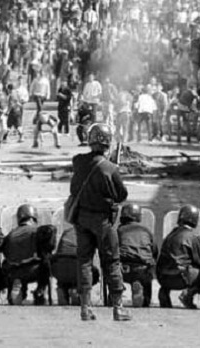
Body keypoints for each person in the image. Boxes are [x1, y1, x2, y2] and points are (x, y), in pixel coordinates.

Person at [70, 123, 131, 321]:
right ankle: (118, 307)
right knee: (112, 261)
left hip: (82, 219)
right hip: (103, 221)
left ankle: (85, 307)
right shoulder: (110, 168)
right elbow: (121, 195)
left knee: (84, 262)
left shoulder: (78, 162)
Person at [156, 205, 200, 309]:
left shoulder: (170, 235)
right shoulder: (192, 237)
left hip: (163, 278)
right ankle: (189, 294)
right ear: (195, 220)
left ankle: (164, 291)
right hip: (181, 278)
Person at [2, 205, 55, 305]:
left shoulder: (10, 234)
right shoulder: (37, 231)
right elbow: (46, 250)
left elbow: (5, 252)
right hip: (32, 271)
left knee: (12, 263)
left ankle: (14, 291)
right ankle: (40, 291)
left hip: (12, 272)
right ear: (33, 217)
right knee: (46, 261)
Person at [117, 204, 157, 307]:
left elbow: (112, 249)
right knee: (147, 275)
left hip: (123, 269)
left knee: (113, 270)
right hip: (143, 269)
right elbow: (154, 251)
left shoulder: (119, 230)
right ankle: (145, 300)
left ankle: (115, 294)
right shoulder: (146, 231)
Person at [51, 226, 100, 305]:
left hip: (59, 268)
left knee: (66, 271)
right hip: (78, 268)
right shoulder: (90, 233)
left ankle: (61, 289)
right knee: (93, 273)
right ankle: (77, 290)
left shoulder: (67, 231)